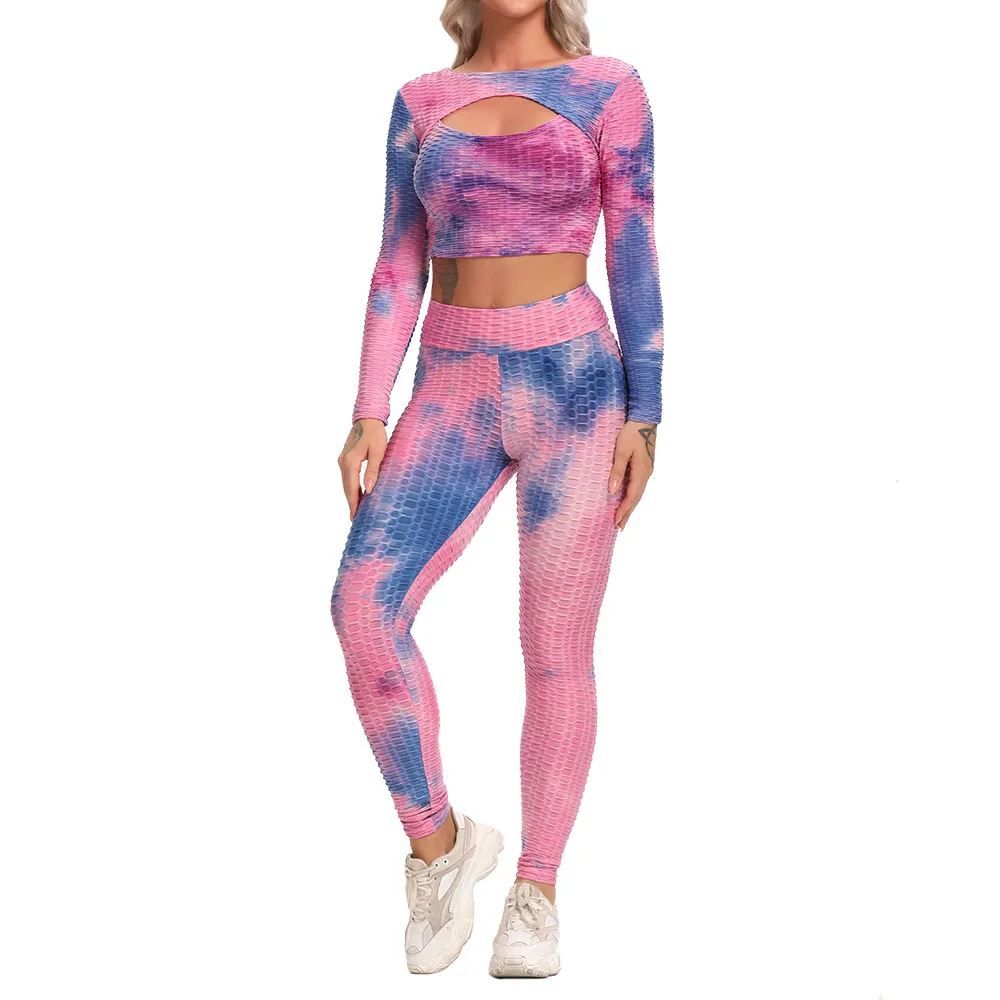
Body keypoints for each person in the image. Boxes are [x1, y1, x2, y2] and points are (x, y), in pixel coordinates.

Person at [330, 0, 662, 978]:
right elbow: (397, 262)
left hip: (577, 386)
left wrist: (648, 410)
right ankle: (441, 845)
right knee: (361, 604)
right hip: (449, 387)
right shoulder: (420, 102)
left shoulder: (609, 90)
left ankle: (538, 889)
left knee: (555, 649)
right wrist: (369, 409)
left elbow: (633, 242)